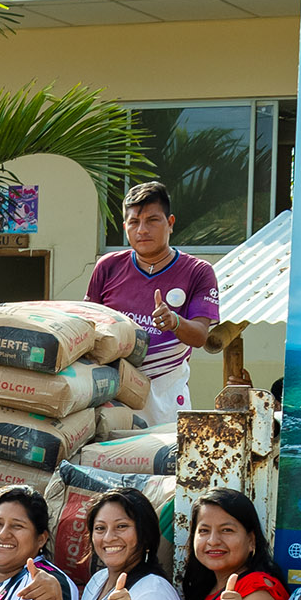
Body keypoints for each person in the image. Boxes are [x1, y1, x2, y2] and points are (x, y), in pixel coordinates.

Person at [83, 181, 220, 425]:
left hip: (165, 401)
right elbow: (86, 325)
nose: (142, 230)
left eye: (152, 220)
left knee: (165, 451)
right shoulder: (107, 266)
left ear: (170, 223)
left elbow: (200, 336)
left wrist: (174, 322)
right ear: (125, 227)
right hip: (112, 396)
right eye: (134, 222)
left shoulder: (198, 271)